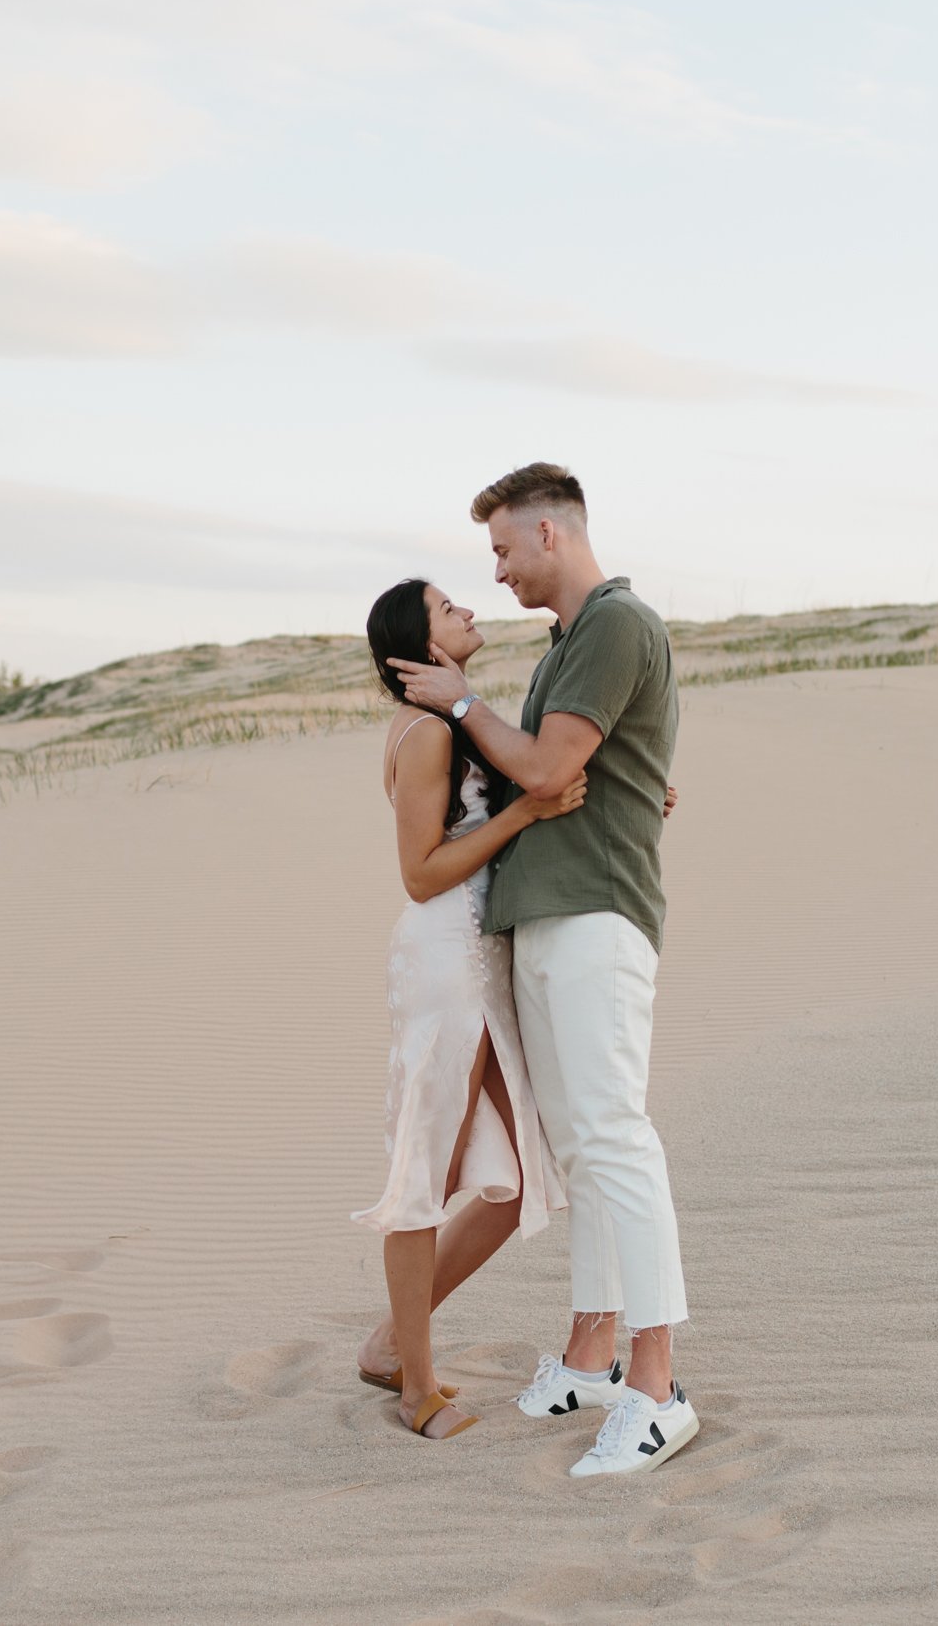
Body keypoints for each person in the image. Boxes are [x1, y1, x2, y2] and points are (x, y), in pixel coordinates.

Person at [389, 462, 699, 1478]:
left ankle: (656, 1385)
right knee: (578, 1140)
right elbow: (564, 763)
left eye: (504, 548)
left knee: (612, 1133)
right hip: (548, 916)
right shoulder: (571, 643)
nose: (499, 568)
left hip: (594, 914)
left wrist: (469, 701)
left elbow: (546, 768)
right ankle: (592, 1351)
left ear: (550, 533)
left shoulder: (614, 622)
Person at [351, 578, 583, 1439]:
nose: (470, 612)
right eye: (450, 608)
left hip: (483, 959)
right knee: (423, 1172)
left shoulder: (459, 727)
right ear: (418, 648)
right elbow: (420, 873)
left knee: (512, 1175)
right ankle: (417, 1387)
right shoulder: (422, 737)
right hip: (445, 960)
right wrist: (524, 810)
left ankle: (388, 1341)